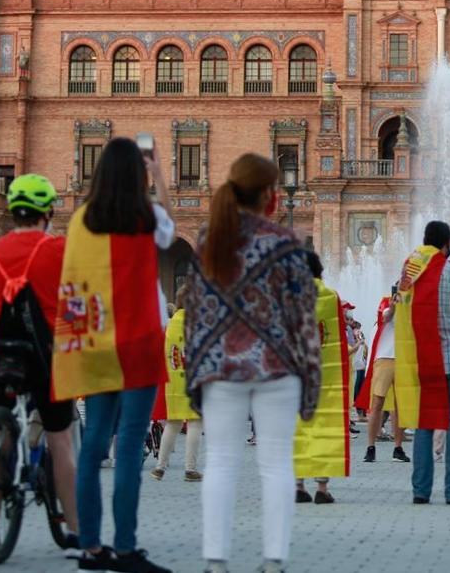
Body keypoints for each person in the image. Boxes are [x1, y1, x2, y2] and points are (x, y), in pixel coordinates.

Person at [184, 153, 321, 573]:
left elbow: (195, 311)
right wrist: (311, 381)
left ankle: (215, 560)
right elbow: (304, 316)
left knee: (221, 461)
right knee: (277, 462)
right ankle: (274, 559)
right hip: (277, 369)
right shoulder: (285, 245)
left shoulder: (209, 242)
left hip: (221, 369)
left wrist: (195, 373)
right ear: (271, 197)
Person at [54, 137, 172, 573]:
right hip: (138, 342)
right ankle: (125, 547)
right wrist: (159, 174)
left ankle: (90, 548)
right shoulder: (148, 216)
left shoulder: (81, 220)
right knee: (128, 448)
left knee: (93, 446)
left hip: (93, 343)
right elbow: (171, 231)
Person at [0, 173, 77, 546]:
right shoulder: (58, 249)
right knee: (60, 439)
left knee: (1, 435)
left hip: (0, 357)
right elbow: (71, 302)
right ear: (46, 212)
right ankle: (75, 527)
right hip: (47, 359)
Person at [400, 221, 450, 506]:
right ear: (447, 244)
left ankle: (420, 491)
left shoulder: (409, 274)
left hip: (420, 361)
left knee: (424, 425)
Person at [294, 250, 352, 505]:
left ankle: (298, 484)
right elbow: (337, 339)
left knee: (298, 428)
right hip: (326, 376)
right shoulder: (331, 297)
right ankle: (322, 487)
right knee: (324, 429)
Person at [150, 291, 202, 483]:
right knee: (195, 422)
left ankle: (159, 468)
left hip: (172, 380)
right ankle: (190, 468)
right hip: (192, 378)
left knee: (173, 424)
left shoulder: (170, 324)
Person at [359, 288, 409, 464]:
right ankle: (370, 447)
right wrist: (395, 305)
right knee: (377, 402)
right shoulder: (386, 302)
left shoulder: (411, 305)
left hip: (403, 359)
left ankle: (398, 447)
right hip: (385, 359)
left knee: (400, 407)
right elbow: (386, 315)